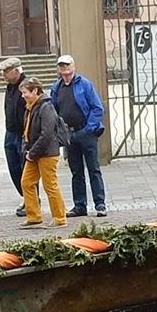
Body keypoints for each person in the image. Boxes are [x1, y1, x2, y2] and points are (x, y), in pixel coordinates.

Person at [53, 54, 108, 218]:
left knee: (93, 169)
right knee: (76, 172)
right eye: (62, 66)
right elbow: (53, 110)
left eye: (67, 65)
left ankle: (100, 204)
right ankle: (80, 205)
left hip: (86, 133)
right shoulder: (56, 87)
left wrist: (88, 128)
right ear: (59, 69)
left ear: (73, 67)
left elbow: (97, 108)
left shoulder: (84, 84)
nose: (65, 69)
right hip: (69, 135)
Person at [18, 77, 67, 229]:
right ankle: (34, 216)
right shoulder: (30, 107)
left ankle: (60, 218)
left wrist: (32, 153)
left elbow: (47, 134)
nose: (23, 96)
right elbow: (27, 131)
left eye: (25, 92)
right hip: (34, 152)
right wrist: (28, 150)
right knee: (26, 182)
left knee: (50, 185)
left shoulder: (46, 107)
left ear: (35, 91)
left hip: (47, 153)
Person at [0, 57, 29, 217]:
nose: (3, 75)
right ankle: (25, 196)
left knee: (26, 169)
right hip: (10, 133)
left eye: (6, 71)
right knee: (14, 168)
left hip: (23, 134)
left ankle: (31, 200)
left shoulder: (27, 85)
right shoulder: (9, 87)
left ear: (16, 71)